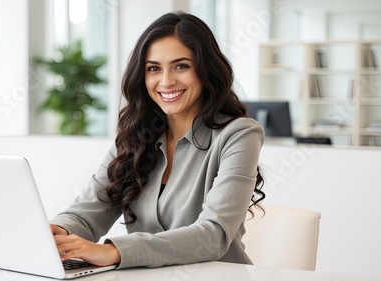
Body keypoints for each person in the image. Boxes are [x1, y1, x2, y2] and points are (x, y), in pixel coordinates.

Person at [49, 11, 265, 269]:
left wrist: (114, 251)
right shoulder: (133, 137)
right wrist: (58, 231)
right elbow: (88, 211)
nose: (166, 81)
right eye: (153, 68)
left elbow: (213, 235)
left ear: (206, 70)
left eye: (181, 66)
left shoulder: (240, 134)